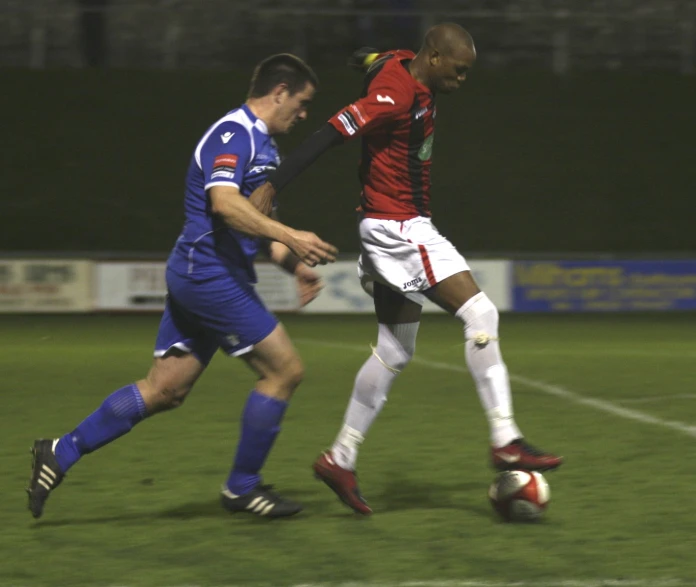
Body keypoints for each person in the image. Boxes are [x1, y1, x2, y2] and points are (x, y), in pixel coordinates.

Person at [249, 24, 563, 516]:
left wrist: (365, 59)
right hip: (399, 227)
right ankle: (506, 440)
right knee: (481, 315)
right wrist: (273, 184)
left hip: (383, 228)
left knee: (395, 347)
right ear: (434, 58)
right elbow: (333, 131)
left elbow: (372, 56)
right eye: (458, 72)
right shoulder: (395, 94)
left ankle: (340, 457)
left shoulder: (396, 61)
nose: (462, 81)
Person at [26, 54, 338, 520]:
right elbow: (225, 205)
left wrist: (292, 263)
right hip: (208, 273)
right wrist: (292, 235)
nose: (305, 113)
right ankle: (242, 487)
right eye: (304, 101)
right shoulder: (233, 134)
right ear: (279, 92)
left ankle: (59, 451)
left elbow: (254, 226)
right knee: (284, 370)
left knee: (165, 389)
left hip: (208, 272)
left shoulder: (266, 149)